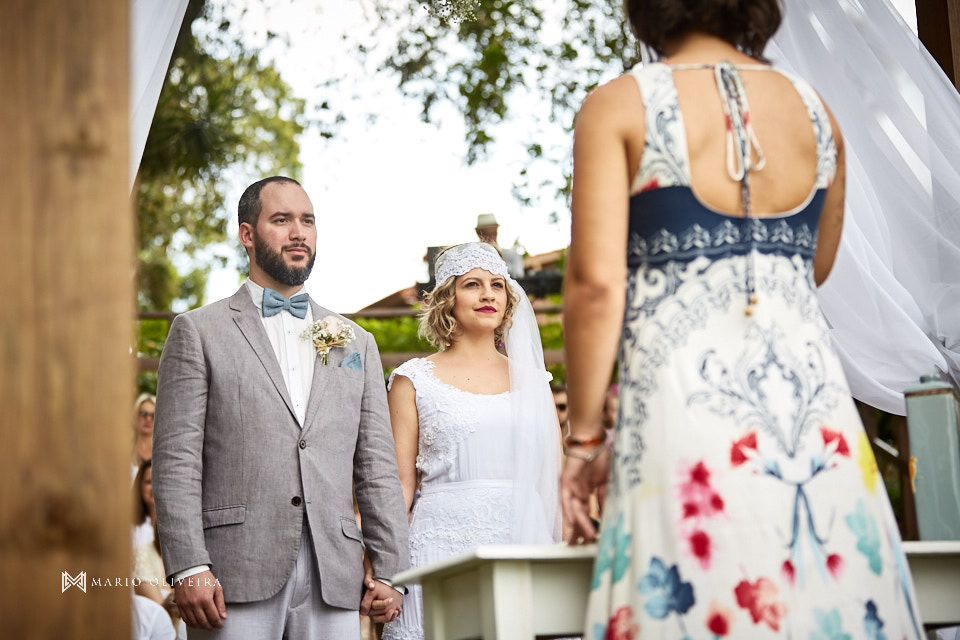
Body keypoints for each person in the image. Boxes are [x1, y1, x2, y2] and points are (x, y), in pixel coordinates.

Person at [560, 1, 925, 636]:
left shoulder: (619, 105)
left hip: (686, 413)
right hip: (814, 425)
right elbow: (816, 268)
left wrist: (585, 438)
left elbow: (595, 285)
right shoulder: (817, 114)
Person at [152, 176, 410, 639]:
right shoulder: (198, 331)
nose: (299, 233)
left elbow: (376, 465)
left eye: (307, 220)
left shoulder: (357, 341)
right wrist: (189, 564)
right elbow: (176, 460)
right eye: (282, 220)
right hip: (231, 574)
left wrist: (391, 570)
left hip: (336, 574)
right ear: (247, 234)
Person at [382, 242, 562, 640]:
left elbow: (555, 480)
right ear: (448, 298)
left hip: (524, 540)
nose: (488, 295)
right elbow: (399, 484)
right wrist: (385, 568)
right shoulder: (412, 379)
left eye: (497, 285)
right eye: (472, 285)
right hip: (437, 549)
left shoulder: (534, 382)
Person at [133, 460, 179, 630]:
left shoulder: (177, 533)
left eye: (158, 480)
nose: (154, 486)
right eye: (148, 482)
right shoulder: (133, 534)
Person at [132, 392, 156, 472]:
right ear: (135, 415)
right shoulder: (125, 449)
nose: (148, 419)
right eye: (143, 413)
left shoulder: (160, 452)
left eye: (153, 415)